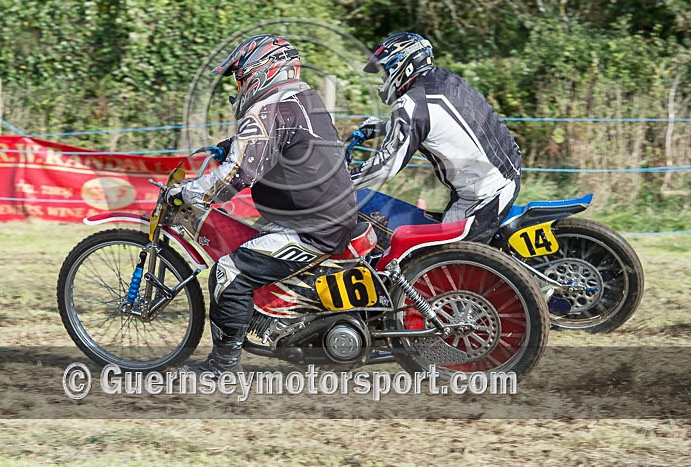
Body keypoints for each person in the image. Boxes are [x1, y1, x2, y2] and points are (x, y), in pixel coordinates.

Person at [167, 34, 358, 378]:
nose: (238, 88)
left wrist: (190, 193)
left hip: (310, 229)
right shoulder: (302, 98)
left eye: (241, 78)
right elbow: (277, 141)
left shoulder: (267, 108)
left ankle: (223, 367)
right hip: (327, 215)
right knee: (248, 250)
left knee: (229, 272)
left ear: (263, 72)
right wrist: (229, 145)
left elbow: (235, 178)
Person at [351, 32, 522, 243]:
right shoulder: (447, 80)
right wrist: (383, 128)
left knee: (428, 262)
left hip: (481, 197)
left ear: (401, 66)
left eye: (384, 73)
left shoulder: (412, 104)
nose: (383, 80)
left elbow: (386, 167)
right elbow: (435, 125)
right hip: (505, 175)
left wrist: (342, 185)